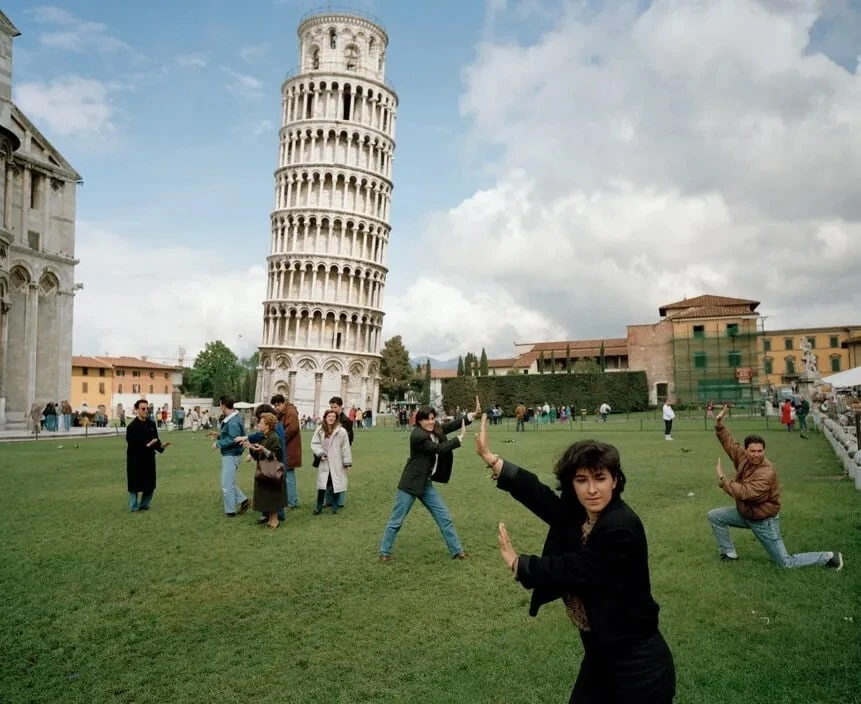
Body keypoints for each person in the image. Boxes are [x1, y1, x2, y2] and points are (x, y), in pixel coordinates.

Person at [474, 415, 676, 703]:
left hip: (638, 667)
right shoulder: (585, 514)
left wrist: (519, 564)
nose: (591, 489)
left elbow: (574, 569)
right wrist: (492, 460)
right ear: (572, 484)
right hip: (600, 656)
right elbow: (544, 499)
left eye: (600, 478)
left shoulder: (620, 526)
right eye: (582, 480)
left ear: (615, 480)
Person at [707, 404, 843, 569]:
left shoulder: (767, 472)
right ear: (746, 450)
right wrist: (719, 425)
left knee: (786, 563)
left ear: (764, 450)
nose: (756, 454)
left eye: (760, 451)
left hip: (763, 521)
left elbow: (746, 493)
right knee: (715, 516)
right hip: (746, 513)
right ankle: (729, 554)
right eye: (752, 451)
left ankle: (830, 557)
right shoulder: (744, 459)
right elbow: (731, 445)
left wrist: (723, 478)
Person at [378, 404, 477, 562]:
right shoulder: (418, 436)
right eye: (427, 420)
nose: (431, 422)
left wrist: (469, 416)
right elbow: (439, 448)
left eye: (432, 418)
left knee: (444, 517)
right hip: (410, 484)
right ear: (419, 421)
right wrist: (459, 439)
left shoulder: (434, 427)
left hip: (426, 484)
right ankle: (384, 552)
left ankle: (457, 552)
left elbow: (448, 426)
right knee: (396, 520)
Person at [237, 403, 287, 524]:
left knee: (273, 493)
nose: (258, 424)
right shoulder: (265, 436)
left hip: (273, 469)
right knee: (266, 493)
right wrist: (251, 448)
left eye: (260, 422)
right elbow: (259, 453)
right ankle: (269, 517)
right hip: (265, 469)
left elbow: (276, 455)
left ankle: (275, 518)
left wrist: (263, 449)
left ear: (267, 424)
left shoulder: (274, 436)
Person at [125, 399, 170, 512]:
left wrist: (161, 446)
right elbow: (132, 444)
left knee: (150, 484)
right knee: (134, 484)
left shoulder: (151, 424)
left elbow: (156, 440)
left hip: (149, 458)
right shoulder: (132, 427)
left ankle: (145, 505)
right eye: (143, 408)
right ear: (137, 410)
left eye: (147, 408)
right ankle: (134, 507)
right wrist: (147, 445)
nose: (146, 411)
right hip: (135, 459)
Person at [209, 395, 250, 518]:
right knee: (229, 482)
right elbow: (232, 436)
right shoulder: (234, 418)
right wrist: (219, 436)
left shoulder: (232, 421)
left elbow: (233, 438)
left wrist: (218, 443)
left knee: (226, 485)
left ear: (223, 405)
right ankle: (243, 501)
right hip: (232, 454)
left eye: (220, 405)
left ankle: (230, 511)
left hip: (231, 454)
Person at [310, 410, 352, 515]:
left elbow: (345, 448)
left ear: (336, 418)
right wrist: (320, 453)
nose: (331, 418)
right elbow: (315, 443)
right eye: (329, 416)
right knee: (322, 485)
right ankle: (318, 507)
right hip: (324, 461)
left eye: (333, 416)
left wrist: (346, 463)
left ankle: (334, 506)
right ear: (325, 417)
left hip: (337, 461)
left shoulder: (341, 431)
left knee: (335, 483)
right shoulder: (320, 430)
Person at [323, 396, 353, 510]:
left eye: (335, 407)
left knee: (340, 477)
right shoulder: (329, 419)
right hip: (329, 452)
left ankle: (340, 501)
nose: (333, 409)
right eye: (331, 407)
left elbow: (348, 440)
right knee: (328, 476)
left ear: (340, 407)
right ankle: (329, 501)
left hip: (340, 453)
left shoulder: (346, 421)